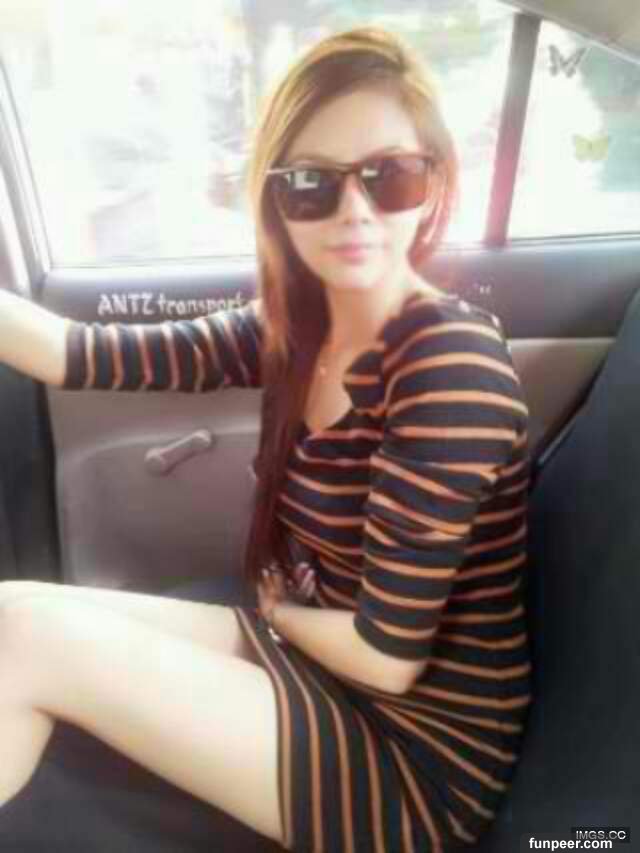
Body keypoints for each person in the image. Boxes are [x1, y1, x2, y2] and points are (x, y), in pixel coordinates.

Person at [0, 27, 532, 852]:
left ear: (435, 182)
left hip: (414, 758)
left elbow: (388, 659)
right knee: (10, 612)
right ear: (275, 199)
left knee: (29, 640)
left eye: (389, 175)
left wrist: (281, 611)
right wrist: (287, 618)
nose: (355, 211)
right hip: (324, 665)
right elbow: (77, 353)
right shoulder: (295, 326)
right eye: (312, 183)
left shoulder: (448, 364)